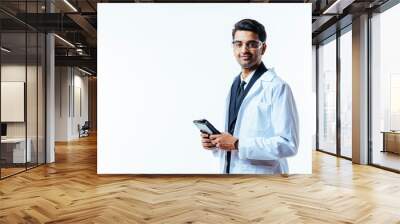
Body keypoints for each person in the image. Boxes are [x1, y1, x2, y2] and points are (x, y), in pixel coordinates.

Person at [200, 19, 299, 174]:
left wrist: (238, 144)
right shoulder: (236, 83)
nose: (244, 50)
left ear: (263, 48)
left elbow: (288, 145)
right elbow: (236, 134)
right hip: (230, 175)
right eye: (238, 44)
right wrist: (217, 143)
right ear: (233, 47)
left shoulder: (277, 87)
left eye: (251, 44)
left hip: (262, 181)